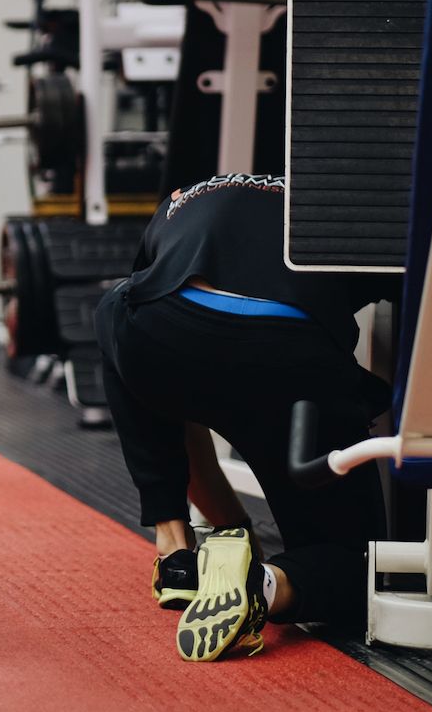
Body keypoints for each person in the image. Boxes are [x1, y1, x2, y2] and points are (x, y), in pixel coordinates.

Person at [94, 172, 397, 662]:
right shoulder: (341, 213)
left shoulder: (185, 196)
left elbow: (147, 300)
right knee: (358, 566)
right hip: (287, 360)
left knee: (119, 308)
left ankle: (177, 553)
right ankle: (262, 583)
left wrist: (233, 523)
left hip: (164, 336)